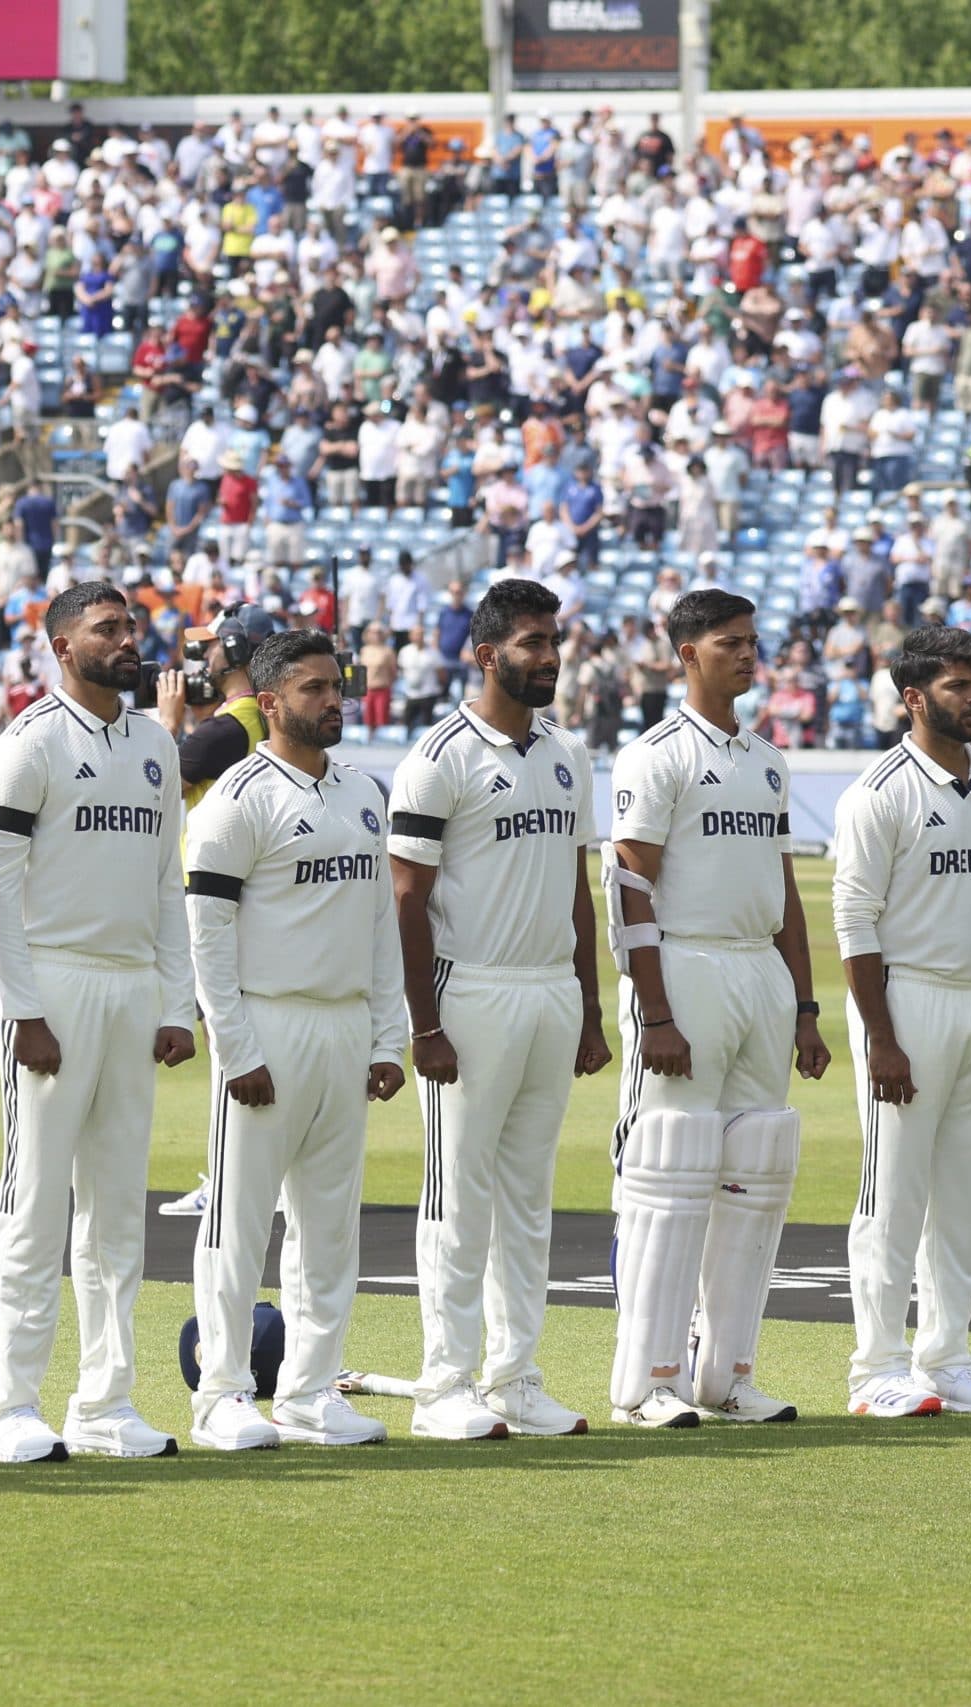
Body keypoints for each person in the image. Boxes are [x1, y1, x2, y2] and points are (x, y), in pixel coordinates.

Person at [0, 582, 199, 1462]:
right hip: (53, 985)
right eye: (107, 629)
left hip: (130, 986)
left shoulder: (152, 742)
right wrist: (22, 1006)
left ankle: (105, 1402)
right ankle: (9, 1408)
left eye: (130, 626)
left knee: (116, 1213)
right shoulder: (28, 743)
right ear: (62, 645)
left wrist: (175, 1002)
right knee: (34, 1204)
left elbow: (164, 887)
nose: (127, 639)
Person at [389, 579, 610, 1440]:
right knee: (457, 1193)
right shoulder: (438, 756)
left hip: (549, 990)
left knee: (528, 1195)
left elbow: (578, 886)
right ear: (485, 655)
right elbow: (406, 898)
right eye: (529, 641)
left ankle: (515, 1375)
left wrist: (591, 1006)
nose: (548, 655)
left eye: (552, 639)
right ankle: (444, 1385)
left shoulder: (569, 753)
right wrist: (424, 1024)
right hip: (469, 989)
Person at [604, 589, 830, 1429]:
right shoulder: (654, 756)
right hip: (687, 966)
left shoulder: (767, 759)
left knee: (757, 1168)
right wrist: (654, 1010)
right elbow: (630, 884)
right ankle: (647, 1381)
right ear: (686, 655)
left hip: (758, 971)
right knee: (668, 1168)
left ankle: (727, 1373)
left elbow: (784, 892)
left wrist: (805, 1005)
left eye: (752, 641)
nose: (748, 654)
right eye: (729, 643)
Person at [182, 630, 409, 1449]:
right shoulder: (236, 797)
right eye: (312, 689)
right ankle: (223, 1392)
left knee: (329, 1225)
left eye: (335, 686)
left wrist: (391, 1036)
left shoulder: (362, 793)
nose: (331, 700)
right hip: (268, 1023)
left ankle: (312, 1390)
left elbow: (380, 924)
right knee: (237, 1224)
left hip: (345, 1026)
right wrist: (236, 1047)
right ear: (270, 703)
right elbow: (207, 932)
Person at [830, 627, 971, 1419]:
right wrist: (880, 1036)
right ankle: (876, 1367)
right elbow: (854, 918)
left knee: (962, 1192)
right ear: (915, 698)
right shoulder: (879, 791)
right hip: (909, 999)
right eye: (958, 686)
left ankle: (947, 1356)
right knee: (894, 1193)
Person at [161, 602, 279, 812]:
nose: (205, 656)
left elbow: (153, 790)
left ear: (235, 650)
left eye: (212, 645)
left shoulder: (219, 732)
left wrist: (168, 724)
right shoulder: (270, 713)